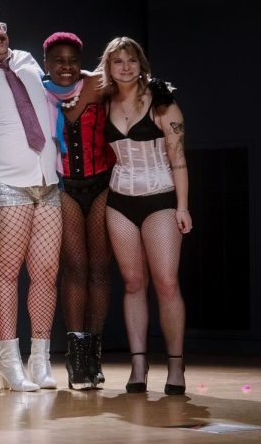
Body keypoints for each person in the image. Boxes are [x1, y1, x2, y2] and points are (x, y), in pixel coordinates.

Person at [0, 11, 61, 392]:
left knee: (46, 273)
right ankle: (10, 361)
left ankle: (41, 359)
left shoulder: (27, 61)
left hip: (47, 181)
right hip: (6, 182)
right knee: (6, 273)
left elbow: (62, 90)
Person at [99, 37, 191, 395]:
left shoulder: (163, 104)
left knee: (166, 282)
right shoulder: (103, 101)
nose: (125, 67)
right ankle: (139, 363)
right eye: (117, 61)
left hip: (161, 198)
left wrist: (182, 206)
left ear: (141, 64)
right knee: (133, 283)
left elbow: (179, 159)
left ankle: (176, 365)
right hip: (119, 199)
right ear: (108, 67)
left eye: (131, 60)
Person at [41, 32, 114, 389]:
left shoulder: (99, 85)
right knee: (75, 268)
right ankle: (76, 357)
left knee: (100, 269)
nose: (66, 66)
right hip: (65, 186)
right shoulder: (38, 92)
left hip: (101, 184)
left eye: (72, 59)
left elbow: (134, 79)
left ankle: (95, 354)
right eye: (59, 60)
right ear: (46, 63)